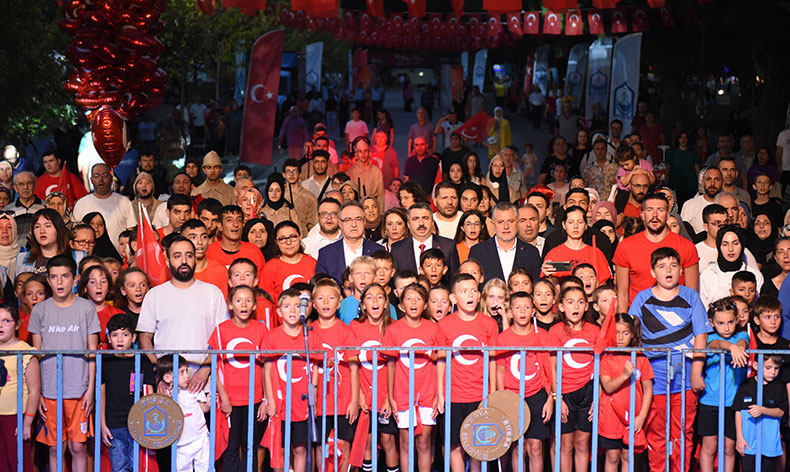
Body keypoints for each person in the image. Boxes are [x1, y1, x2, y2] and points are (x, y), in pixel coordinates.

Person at [628, 247, 711, 472]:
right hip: (653, 379)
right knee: (656, 432)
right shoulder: (642, 298)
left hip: (686, 378)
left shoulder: (691, 296)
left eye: (673, 265)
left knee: (683, 430)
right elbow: (632, 335)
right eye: (662, 266)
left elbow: (701, 335)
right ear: (652, 272)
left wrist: (697, 371)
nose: (668, 270)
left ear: (681, 270)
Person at [29, 255, 100, 472]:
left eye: (65, 276)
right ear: (48, 280)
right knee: (55, 448)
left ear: (75, 279)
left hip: (79, 390)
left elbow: (92, 352)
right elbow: (36, 355)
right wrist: (38, 393)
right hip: (50, 390)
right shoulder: (39, 310)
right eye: (54, 277)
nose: (59, 282)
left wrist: (90, 390)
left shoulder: (86, 308)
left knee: (78, 446)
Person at [137, 236, 229, 391]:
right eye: (177, 256)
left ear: (195, 259)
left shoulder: (213, 293)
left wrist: (205, 370)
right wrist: (161, 372)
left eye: (189, 255)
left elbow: (223, 337)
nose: (184, 261)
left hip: (204, 381)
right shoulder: (154, 295)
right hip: (168, 382)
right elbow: (144, 337)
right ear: (168, 261)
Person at [437, 273, 498, 472]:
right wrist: (440, 394)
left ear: (479, 295)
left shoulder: (489, 324)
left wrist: (493, 393)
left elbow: (493, 360)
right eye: (464, 291)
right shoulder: (444, 325)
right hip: (453, 395)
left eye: (473, 290)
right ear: (453, 298)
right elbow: (441, 361)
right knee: (454, 445)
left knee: (478, 444)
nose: (470, 295)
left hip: (480, 395)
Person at [207, 284, 269, 472]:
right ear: (230, 305)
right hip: (230, 399)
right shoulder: (221, 330)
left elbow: (267, 366)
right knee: (231, 447)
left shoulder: (261, 330)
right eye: (239, 300)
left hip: (254, 399)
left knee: (251, 446)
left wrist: (265, 399)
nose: (243, 304)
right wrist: (223, 397)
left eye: (248, 300)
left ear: (254, 306)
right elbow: (215, 366)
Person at [262, 288, 323, 472]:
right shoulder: (272, 337)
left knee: (300, 447)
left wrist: (314, 395)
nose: (293, 310)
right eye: (287, 306)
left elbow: (315, 368)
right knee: (279, 448)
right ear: (279, 311)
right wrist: (270, 400)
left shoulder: (310, 337)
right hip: (280, 401)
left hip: (302, 401)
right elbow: (267, 370)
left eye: (297, 306)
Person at [382, 283, 441, 472]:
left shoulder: (434, 329)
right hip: (402, 393)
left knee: (424, 442)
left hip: (428, 393)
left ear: (425, 305)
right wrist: (391, 396)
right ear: (401, 304)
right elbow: (390, 364)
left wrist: (438, 395)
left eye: (418, 299)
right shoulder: (393, 330)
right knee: (405, 443)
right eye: (408, 299)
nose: (413, 303)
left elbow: (440, 363)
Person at [493, 291, 552, 471]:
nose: (522, 311)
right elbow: (499, 370)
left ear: (533, 311)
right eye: (518, 308)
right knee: (518, 447)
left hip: (537, 395)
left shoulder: (542, 336)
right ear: (510, 312)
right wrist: (502, 400)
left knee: (536, 446)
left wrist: (550, 398)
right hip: (512, 397)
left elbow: (550, 370)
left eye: (527, 307)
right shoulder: (503, 338)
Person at [613, 193, 699, 312]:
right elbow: (622, 294)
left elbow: (693, 294)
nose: (655, 215)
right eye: (650, 210)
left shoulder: (686, 246)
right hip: (639, 317)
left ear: (667, 215)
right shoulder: (625, 246)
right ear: (642, 215)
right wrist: (623, 321)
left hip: (677, 317)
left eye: (660, 210)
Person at [348, 283, 400, 472]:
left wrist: (390, 397)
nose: (375, 301)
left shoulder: (394, 327)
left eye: (379, 297)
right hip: (365, 393)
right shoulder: (355, 326)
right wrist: (359, 395)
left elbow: (398, 366)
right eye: (369, 298)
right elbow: (353, 362)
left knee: (387, 440)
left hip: (387, 395)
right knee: (367, 440)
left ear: (386, 303)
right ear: (363, 305)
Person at [547, 286, 599, 472]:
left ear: (586, 306)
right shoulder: (555, 331)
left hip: (588, 391)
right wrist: (557, 397)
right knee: (566, 444)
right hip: (565, 392)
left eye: (580, 302)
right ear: (561, 307)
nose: (575, 306)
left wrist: (597, 397)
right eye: (570, 302)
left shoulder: (594, 331)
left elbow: (600, 367)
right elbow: (552, 367)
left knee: (582, 443)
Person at [311, 278, 359, 472]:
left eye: (331, 298)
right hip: (318, 401)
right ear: (313, 304)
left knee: (344, 443)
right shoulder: (308, 332)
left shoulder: (346, 332)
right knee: (320, 444)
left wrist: (354, 400)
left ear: (339, 303)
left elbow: (354, 368)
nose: (326, 302)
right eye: (320, 298)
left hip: (343, 399)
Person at [697, 299, 748, 472]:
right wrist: (731, 348)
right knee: (709, 447)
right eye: (720, 323)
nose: (726, 328)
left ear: (737, 320)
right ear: (712, 323)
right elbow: (717, 344)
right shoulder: (710, 338)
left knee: (728, 447)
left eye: (730, 322)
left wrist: (737, 347)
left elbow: (742, 343)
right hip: (709, 400)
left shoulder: (742, 336)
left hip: (733, 403)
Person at [598, 313, 653, 472]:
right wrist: (624, 375)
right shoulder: (606, 359)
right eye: (616, 333)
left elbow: (648, 389)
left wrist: (641, 417)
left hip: (633, 417)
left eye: (625, 333)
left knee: (628, 456)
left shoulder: (640, 358)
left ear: (632, 335)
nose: (620, 337)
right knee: (612, 456)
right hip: (610, 417)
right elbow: (608, 387)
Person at [100, 313, 155, 472]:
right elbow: (101, 395)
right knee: (119, 468)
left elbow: (149, 394)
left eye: (125, 335)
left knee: (137, 466)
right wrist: (102, 424)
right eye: (115, 335)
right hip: (114, 424)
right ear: (108, 338)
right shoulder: (105, 361)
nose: (119, 339)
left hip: (138, 424)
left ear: (133, 337)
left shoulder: (142, 360)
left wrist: (149, 424)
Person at [0, 302, 40, 472]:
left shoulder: (26, 352)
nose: (1, 325)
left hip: (15, 416)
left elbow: (34, 391)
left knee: (17, 461)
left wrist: (27, 422)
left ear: (16, 325)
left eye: (6, 321)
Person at [157, 355, 211, 472]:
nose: (187, 375)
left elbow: (203, 409)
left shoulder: (193, 389)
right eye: (181, 372)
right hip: (181, 443)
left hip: (200, 438)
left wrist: (208, 404)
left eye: (186, 371)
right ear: (167, 378)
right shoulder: (165, 396)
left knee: (205, 468)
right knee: (183, 469)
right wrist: (172, 398)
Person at [734, 354, 787, 472]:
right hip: (748, 441)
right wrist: (739, 437)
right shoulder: (746, 385)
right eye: (768, 368)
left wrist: (762, 410)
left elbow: (781, 412)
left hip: (769, 442)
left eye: (776, 368)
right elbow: (738, 411)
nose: (773, 372)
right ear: (756, 366)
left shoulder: (779, 386)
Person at [469, 202, 541, 283]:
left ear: (517, 222)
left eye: (510, 221)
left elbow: (536, 284)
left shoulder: (531, 252)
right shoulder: (478, 251)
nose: (506, 226)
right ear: (493, 224)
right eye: (500, 222)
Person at [316, 201, 384, 284]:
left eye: (358, 219)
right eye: (348, 220)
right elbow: (321, 286)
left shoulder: (378, 250)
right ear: (340, 224)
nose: (354, 224)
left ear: (364, 222)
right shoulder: (327, 253)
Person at [74, 163, 136, 253]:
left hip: (119, 257)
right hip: (88, 256)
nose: (101, 179)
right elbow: (76, 233)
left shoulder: (124, 202)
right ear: (91, 180)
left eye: (104, 175)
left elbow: (131, 232)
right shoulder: (81, 204)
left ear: (111, 178)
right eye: (96, 176)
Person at [541, 206, 611, 282]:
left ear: (586, 226)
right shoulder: (554, 254)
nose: (575, 226)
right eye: (571, 222)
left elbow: (603, 283)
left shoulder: (596, 253)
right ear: (564, 225)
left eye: (580, 222)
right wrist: (547, 275)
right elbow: (548, 284)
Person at [391, 202, 460, 280]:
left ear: (432, 222)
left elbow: (455, 279)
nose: (421, 223)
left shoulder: (448, 246)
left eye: (425, 218)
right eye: (415, 219)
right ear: (408, 224)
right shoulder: (397, 249)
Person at [699, 225, 763, 307]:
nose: (730, 249)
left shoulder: (755, 275)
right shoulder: (707, 275)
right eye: (725, 244)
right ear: (719, 246)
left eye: (735, 244)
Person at [261, 221, 316, 302]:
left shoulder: (312, 263)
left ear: (300, 237)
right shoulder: (270, 267)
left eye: (292, 237)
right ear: (276, 241)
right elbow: (264, 299)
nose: (288, 242)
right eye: (282, 239)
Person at [206, 205, 266, 274]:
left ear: (243, 224)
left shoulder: (254, 252)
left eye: (239, 220)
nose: (235, 224)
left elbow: (261, 279)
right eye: (229, 220)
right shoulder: (210, 251)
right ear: (220, 226)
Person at [78, 264, 123, 348]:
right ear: (85, 288)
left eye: (103, 281)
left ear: (109, 287)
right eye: (92, 282)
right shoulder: (76, 314)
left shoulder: (119, 314)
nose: (99, 286)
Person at [346, 137, 385, 212]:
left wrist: (380, 214)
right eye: (360, 151)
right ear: (356, 154)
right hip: (355, 210)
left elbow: (380, 196)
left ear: (369, 153)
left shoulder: (377, 172)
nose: (363, 154)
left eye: (365, 151)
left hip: (372, 210)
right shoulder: (350, 172)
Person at [282, 159, 318, 235]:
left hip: (303, 236)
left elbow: (312, 224)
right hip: (282, 235)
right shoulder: (279, 195)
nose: (291, 175)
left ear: (300, 174)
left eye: (294, 171)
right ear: (283, 175)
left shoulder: (309, 198)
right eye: (288, 171)